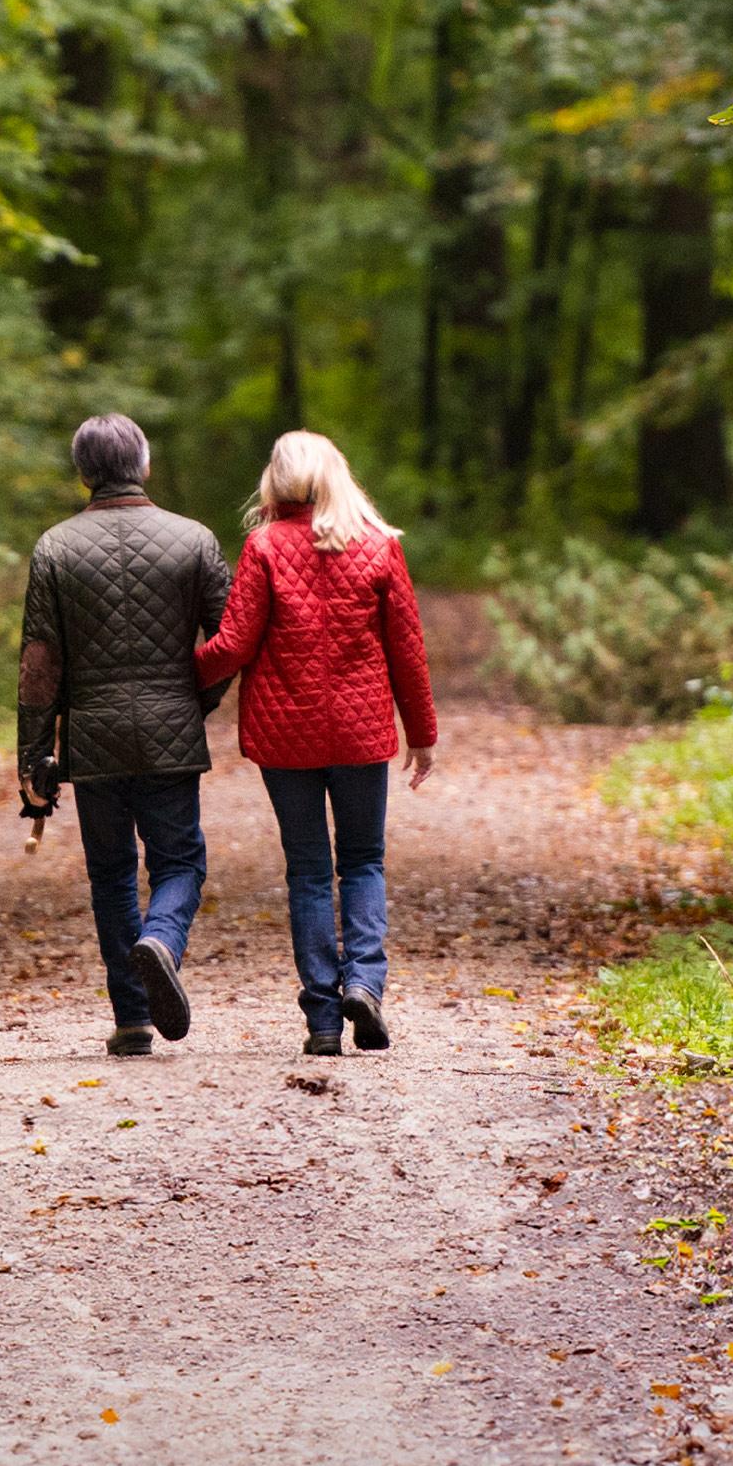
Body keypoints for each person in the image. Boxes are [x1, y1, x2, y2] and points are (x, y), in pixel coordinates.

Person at [194, 430, 436, 1056]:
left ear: (275, 482)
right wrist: (423, 734)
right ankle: (365, 984)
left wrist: (173, 671)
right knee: (362, 860)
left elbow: (235, 645)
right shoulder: (380, 546)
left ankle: (323, 1021)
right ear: (336, 476)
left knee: (307, 871)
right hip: (360, 736)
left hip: (285, 737)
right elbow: (407, 651)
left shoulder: (264, 546)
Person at [17, 414, 231, 1057]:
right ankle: (163, 938)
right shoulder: (193, 540)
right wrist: (194, 703)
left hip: (94, 741)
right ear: (144, 465)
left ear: (83, 473)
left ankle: (133, 1019)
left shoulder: (55, 547)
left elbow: (40, 663)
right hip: (171, 732)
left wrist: (33, 756)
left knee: (110, 876)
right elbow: (228, 643)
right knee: (180, 862)